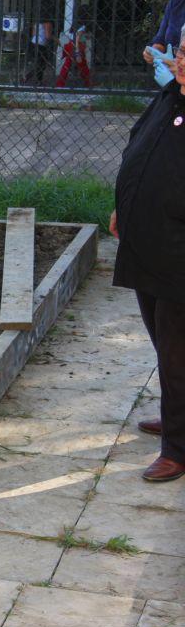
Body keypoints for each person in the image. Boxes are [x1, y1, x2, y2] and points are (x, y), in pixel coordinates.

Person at [108, 28, 185, 483]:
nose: (182, 61)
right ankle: (178, 415)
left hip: (179, 253)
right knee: (163, 341)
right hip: (147, 243)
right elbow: (139, 149)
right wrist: (124, 206)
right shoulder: (169, 97)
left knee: (177, 351)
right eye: (182, 51)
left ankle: (177, 448)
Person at [145, 0, 185, 86]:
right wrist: (154, 53)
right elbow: (160, 39)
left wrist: (179, 69)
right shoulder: (178, 1)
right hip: (172, 83)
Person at [56, 4, 93, 88]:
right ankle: (88, 83)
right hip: (77, 46)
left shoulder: (76, 23)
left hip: (70, 45)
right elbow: (77, 38)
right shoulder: (83, 26)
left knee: (67, 65)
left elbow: (73, 35)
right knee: (83, 66)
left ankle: (60, 84)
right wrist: (77, 52)